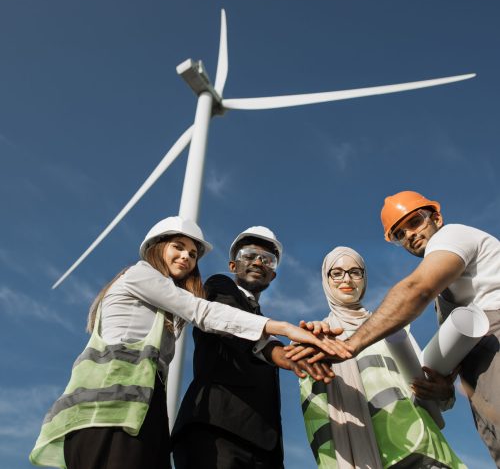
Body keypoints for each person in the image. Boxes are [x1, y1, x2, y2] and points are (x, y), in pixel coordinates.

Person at [30, 216, 349, 469]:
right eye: (178, 247)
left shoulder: (168, 308)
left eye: (193, 253)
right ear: (157, 246)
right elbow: (206, 312)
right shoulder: (139, 275)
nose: (186, 256)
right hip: (107, 410)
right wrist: (284, 329)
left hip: (145, 412)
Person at [291, 190, 500, 465]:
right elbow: (438, 376)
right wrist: (444, 388)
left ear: (436, 216)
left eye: (415, 222)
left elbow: (417, 289)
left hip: (421, 443)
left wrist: (350, 345)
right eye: (400, 233)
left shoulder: (452, 236)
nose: (410, 235)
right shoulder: (319, 332)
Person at [172, 226, 336, 469]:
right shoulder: (218, 288)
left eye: (267, 260)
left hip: (263, 447)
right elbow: (233, 326)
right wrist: (282, 354)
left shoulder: (265, 323)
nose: (258, 262)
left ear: (273, 275)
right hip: (216, 433)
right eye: (249, 256)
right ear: (232, 266)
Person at [299, 246, 465, 468]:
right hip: (370, 453)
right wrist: (310, 343)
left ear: (364, 278)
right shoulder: (318, 335)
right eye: (337, 273)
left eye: (355, 272)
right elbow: (317, 406)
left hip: (423, 445)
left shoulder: (394, 329)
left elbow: (429, 389)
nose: (346, 279)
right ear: (326, 279)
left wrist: (444, 392)